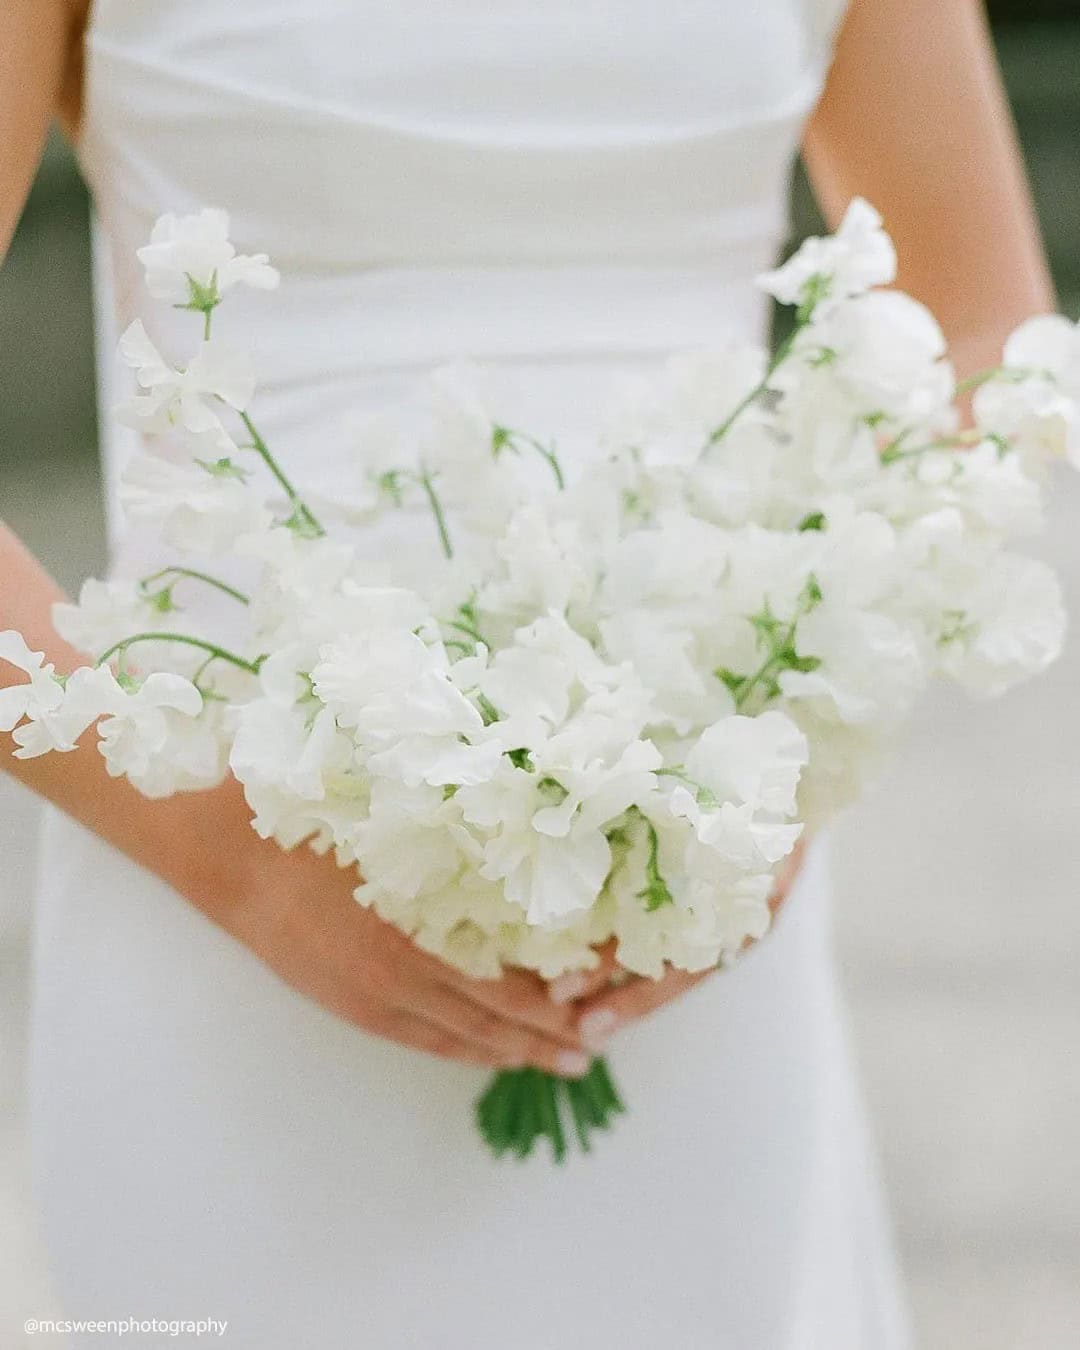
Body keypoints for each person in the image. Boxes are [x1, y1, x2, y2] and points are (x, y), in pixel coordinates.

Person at [0, 1, 1053, 1345]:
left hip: (693, 919)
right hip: (221, 902)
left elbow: (980, 334)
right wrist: (236, 860)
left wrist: (776, 756)